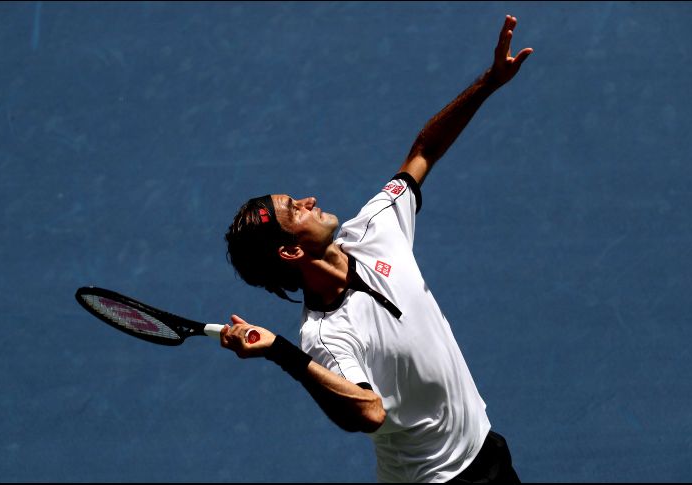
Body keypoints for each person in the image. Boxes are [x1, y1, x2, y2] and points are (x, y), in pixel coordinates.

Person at [221, 15, 533, 483]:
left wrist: (488, 83)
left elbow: (423, 150)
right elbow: (368, 413)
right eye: (296, 210)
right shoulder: (325, 337)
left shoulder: (373, 227)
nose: (309, 200)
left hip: (486, 448)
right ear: (289, 252)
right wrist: (281, 352)